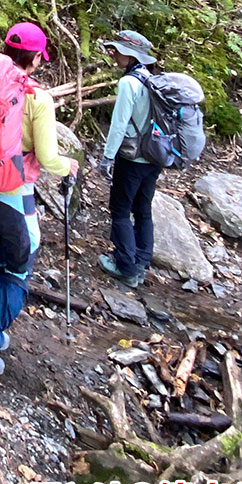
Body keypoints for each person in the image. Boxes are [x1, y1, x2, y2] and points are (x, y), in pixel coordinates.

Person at [0, 22, 79, 377]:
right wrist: (68, 165)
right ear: (37, 58)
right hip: (13, 189)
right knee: (18, 268)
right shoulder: (37, 98)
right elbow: (48, 156)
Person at [97, 29, 160, 289]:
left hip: (132, 157)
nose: (114, 54)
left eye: (118, 50)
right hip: (154, 156)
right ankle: (142, 261)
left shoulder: (128, 83)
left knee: (121, 210)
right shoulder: (152, 79)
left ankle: (126, 266)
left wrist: (107, 157)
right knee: (143, 209)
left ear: (131, 55)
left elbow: (119, 124)